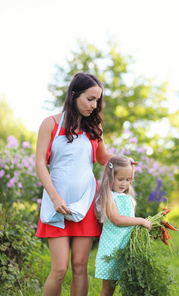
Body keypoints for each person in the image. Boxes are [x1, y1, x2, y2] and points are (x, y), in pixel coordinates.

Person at [35, 72, 114, 296]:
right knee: (59, 269)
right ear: (74, 94)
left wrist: (121, 161)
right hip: (56, 201)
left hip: (86, 201)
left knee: (80, 267)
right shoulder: (50, 124)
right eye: (90, 99)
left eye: (97, 100)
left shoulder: (94, 128)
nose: (94, 105)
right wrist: (55, 197)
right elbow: (40, 164)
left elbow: (102, 157)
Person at [95, 155, 152, 296]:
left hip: (126, 247)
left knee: (129, 284)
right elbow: (117, 220)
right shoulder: (108, 196)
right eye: (120, 179)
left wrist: (130, 166)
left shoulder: (127, 197)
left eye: (128, 180)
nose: (124, 184)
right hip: (112, 249)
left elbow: (128, 220)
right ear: (110, 177)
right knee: (109, 288)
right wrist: (140, 220)